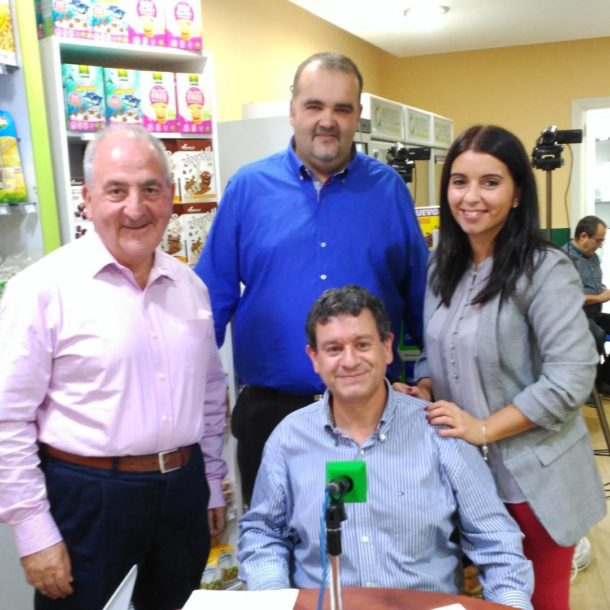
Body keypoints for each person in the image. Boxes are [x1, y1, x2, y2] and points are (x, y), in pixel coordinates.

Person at [0, 125, 227, 610]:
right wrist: (32, 529)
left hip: (182, 493)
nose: (135, 208)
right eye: (116, 191)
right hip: (88, 499)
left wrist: (210, 483)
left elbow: (210, 395)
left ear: (170, 196)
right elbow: (8, 419)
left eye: (150, 189)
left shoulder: (190, 287)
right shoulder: (42, 289)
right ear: (88, 199)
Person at [195, 52, 429, 505]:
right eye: (314, 106)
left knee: (365, 536)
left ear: (357, 117)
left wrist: (426, 376)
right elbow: (209, 305)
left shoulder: (388, 192)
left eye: (342, 109)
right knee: (272, 537)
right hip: (271, 415)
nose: (327, 121)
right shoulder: (248, 189)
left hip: (370, 415)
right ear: (293, 111)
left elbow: (422, 299)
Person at [238, 285, 534, 609]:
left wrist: (511, 603)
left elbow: (497, 542)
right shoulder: (289, 439)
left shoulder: (440, 432)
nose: (349, 361)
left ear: (387, 347)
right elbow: (263, 533)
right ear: (315, 358)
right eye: (334, 349)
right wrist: (273, 599)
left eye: (362, 345)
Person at [409, 125, 606, 610]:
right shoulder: (441, 266)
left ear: (517, 193)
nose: (471, 196)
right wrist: (425, 385)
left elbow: (571, 378)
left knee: (540, 601)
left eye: (490, 182)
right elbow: (436, 348)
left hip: (531, 478)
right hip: (462, 476)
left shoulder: (545, 270)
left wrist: (483, 428)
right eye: (459, 182)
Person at [562, 215, 610, 364]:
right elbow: (567, 298)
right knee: (597, 335)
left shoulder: (593, 256)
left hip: (594, 314)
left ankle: (606, 371)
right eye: (598, 241)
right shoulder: (564, 260)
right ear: (584, 236)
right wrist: (599, 298)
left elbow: (593, 284)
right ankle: (594, 375)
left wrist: (602, 289)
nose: (600, 246)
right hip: (575, 318)